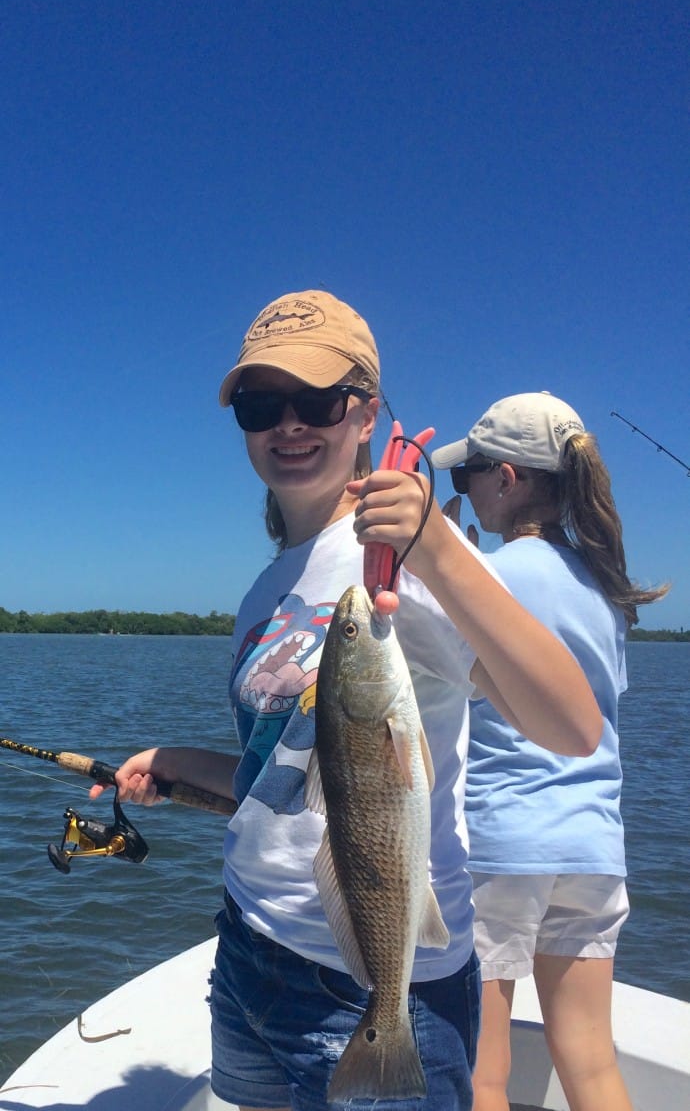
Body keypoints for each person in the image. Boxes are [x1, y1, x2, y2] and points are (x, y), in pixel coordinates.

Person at [90, 299, 601, 1111]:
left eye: (318, 401)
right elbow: (280, 779)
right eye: (261, 404)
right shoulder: (267, 587)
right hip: (250, 945)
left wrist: (435, 548)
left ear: (365, 414)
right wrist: (171, 761)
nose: (289, 424)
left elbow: (572, 727)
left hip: (383, 978)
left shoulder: (410, 558)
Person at [432, 391, 669, 1111]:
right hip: (593, 847)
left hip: (501, 842)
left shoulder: (490, 577)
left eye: (467, 474)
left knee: (482, 1074)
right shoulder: (607, 591)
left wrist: (451, 566)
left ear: (506, 479)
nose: (463, 488)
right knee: (592, 1064)